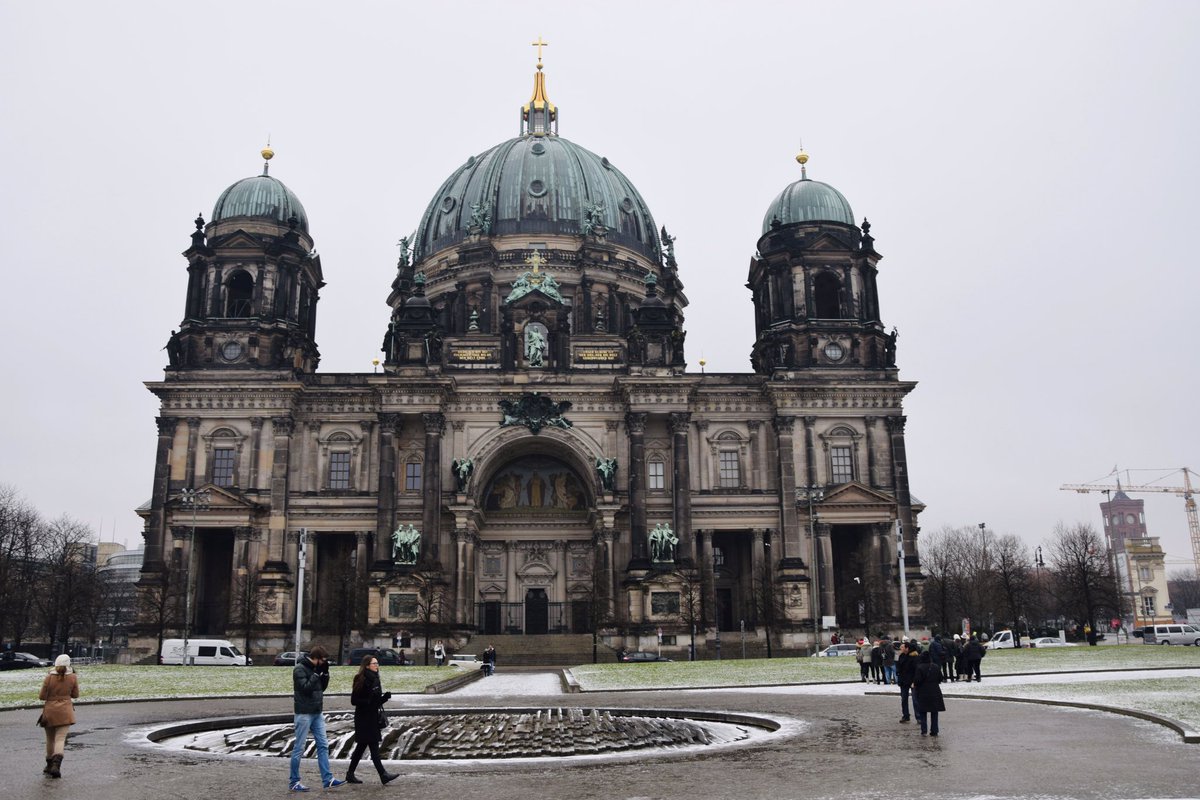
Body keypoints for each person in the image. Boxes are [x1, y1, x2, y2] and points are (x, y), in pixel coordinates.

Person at [290, 645, 344, 792]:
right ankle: (294, 781)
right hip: (304, 713)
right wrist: (316, 675)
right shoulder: (299, 669)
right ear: (316, 658)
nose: (324, 663)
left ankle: (327, 779)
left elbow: (321, 689)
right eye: (323, 661)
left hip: (317, 712)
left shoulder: (317, 669)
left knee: (323, 745)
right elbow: (305, 688)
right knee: (299, 748)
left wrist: (325, 674)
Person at [344, 655, 399, 785]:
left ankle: (350, 774)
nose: (377, 665)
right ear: (367, 665)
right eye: (374, 663)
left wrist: (384, 698)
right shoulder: (361, 679)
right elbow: (354, 700)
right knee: (373, 746)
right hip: (363, 718)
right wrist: (368, 701)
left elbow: (375, 702)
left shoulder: (376, 679)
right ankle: (383, 775)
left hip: (372, 717)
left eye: (377, 663)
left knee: (361, 747)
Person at [38, 654, 79, 778]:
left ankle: (49, 765)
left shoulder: (49, 677)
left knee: (50, 739)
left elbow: (42, 696)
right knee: (60, 739)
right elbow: (75, 695)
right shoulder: (73, 677)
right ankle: (57, 765)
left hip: (50, 711)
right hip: (65, 711)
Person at [913, 650, 946, 736]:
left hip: (923, 691)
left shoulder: (919, 667)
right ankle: (934, 730)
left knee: (922, 711)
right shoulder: (935, 666)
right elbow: (940, 678)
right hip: (935, 690)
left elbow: (917, 680)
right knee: (934, 712)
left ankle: (924, 730)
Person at [895, 640, 919, 724]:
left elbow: (917, 670)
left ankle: (918, 716)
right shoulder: (901, 656)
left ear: (907, 648)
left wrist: (915, 681)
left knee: (915, 700)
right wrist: (898, 672)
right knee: (904, 699)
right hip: (903, 681)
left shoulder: (914, 657)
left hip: (912, 681)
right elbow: (898, 666)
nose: (900, 648)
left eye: (902, 647)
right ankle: (905, 715)